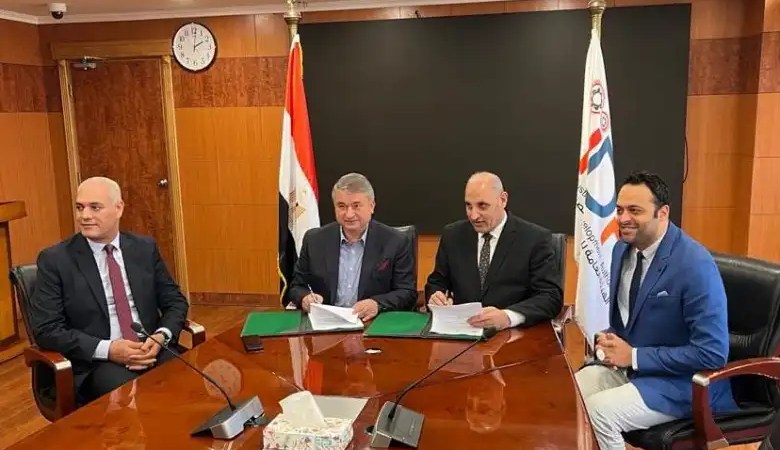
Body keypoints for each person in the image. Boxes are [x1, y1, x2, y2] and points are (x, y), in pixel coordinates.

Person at [575, 171, 736, 450]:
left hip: (684, 384)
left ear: (663, 213)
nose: (623, 218)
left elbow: (712, 352)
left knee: (600, 411)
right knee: (571, 392)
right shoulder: (621, 250)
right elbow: (631, 322)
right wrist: (611, 340)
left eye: (635, 210)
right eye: (619, 210)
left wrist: (634, 356)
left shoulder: (694, 264)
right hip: (637, 372)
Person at [30, 176, 189, 403]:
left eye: (95, 207)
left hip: (151, 348)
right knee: (137, 397)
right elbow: (47, 329)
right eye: (80, 207)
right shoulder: (55, 260)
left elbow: (175, 301)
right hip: (97, 362)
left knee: (191, 383)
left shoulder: (143, 248)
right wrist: (109, 349)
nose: (84, 216)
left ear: (119, 208)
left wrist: (161, 336)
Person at [424, 171, 562, 329]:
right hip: (463, 331)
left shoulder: (534, 238)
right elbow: (436, 282)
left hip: (514, 335)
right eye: (469, 206)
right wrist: (436, 298)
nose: (474, 216)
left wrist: (508, 317)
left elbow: (550, 297)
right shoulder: (453, 235)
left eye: (482, 206)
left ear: (503, 200)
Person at [288, 173, 417, 321]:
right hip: (326, 322)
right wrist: (304, 298)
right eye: (341, 206)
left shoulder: (396, 241)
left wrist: (377, 304)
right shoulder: (314, 240)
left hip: (371, 323)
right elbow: (297, 286)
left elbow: (407, 292)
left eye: (356, 206)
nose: (349, 214)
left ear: (371, 206)